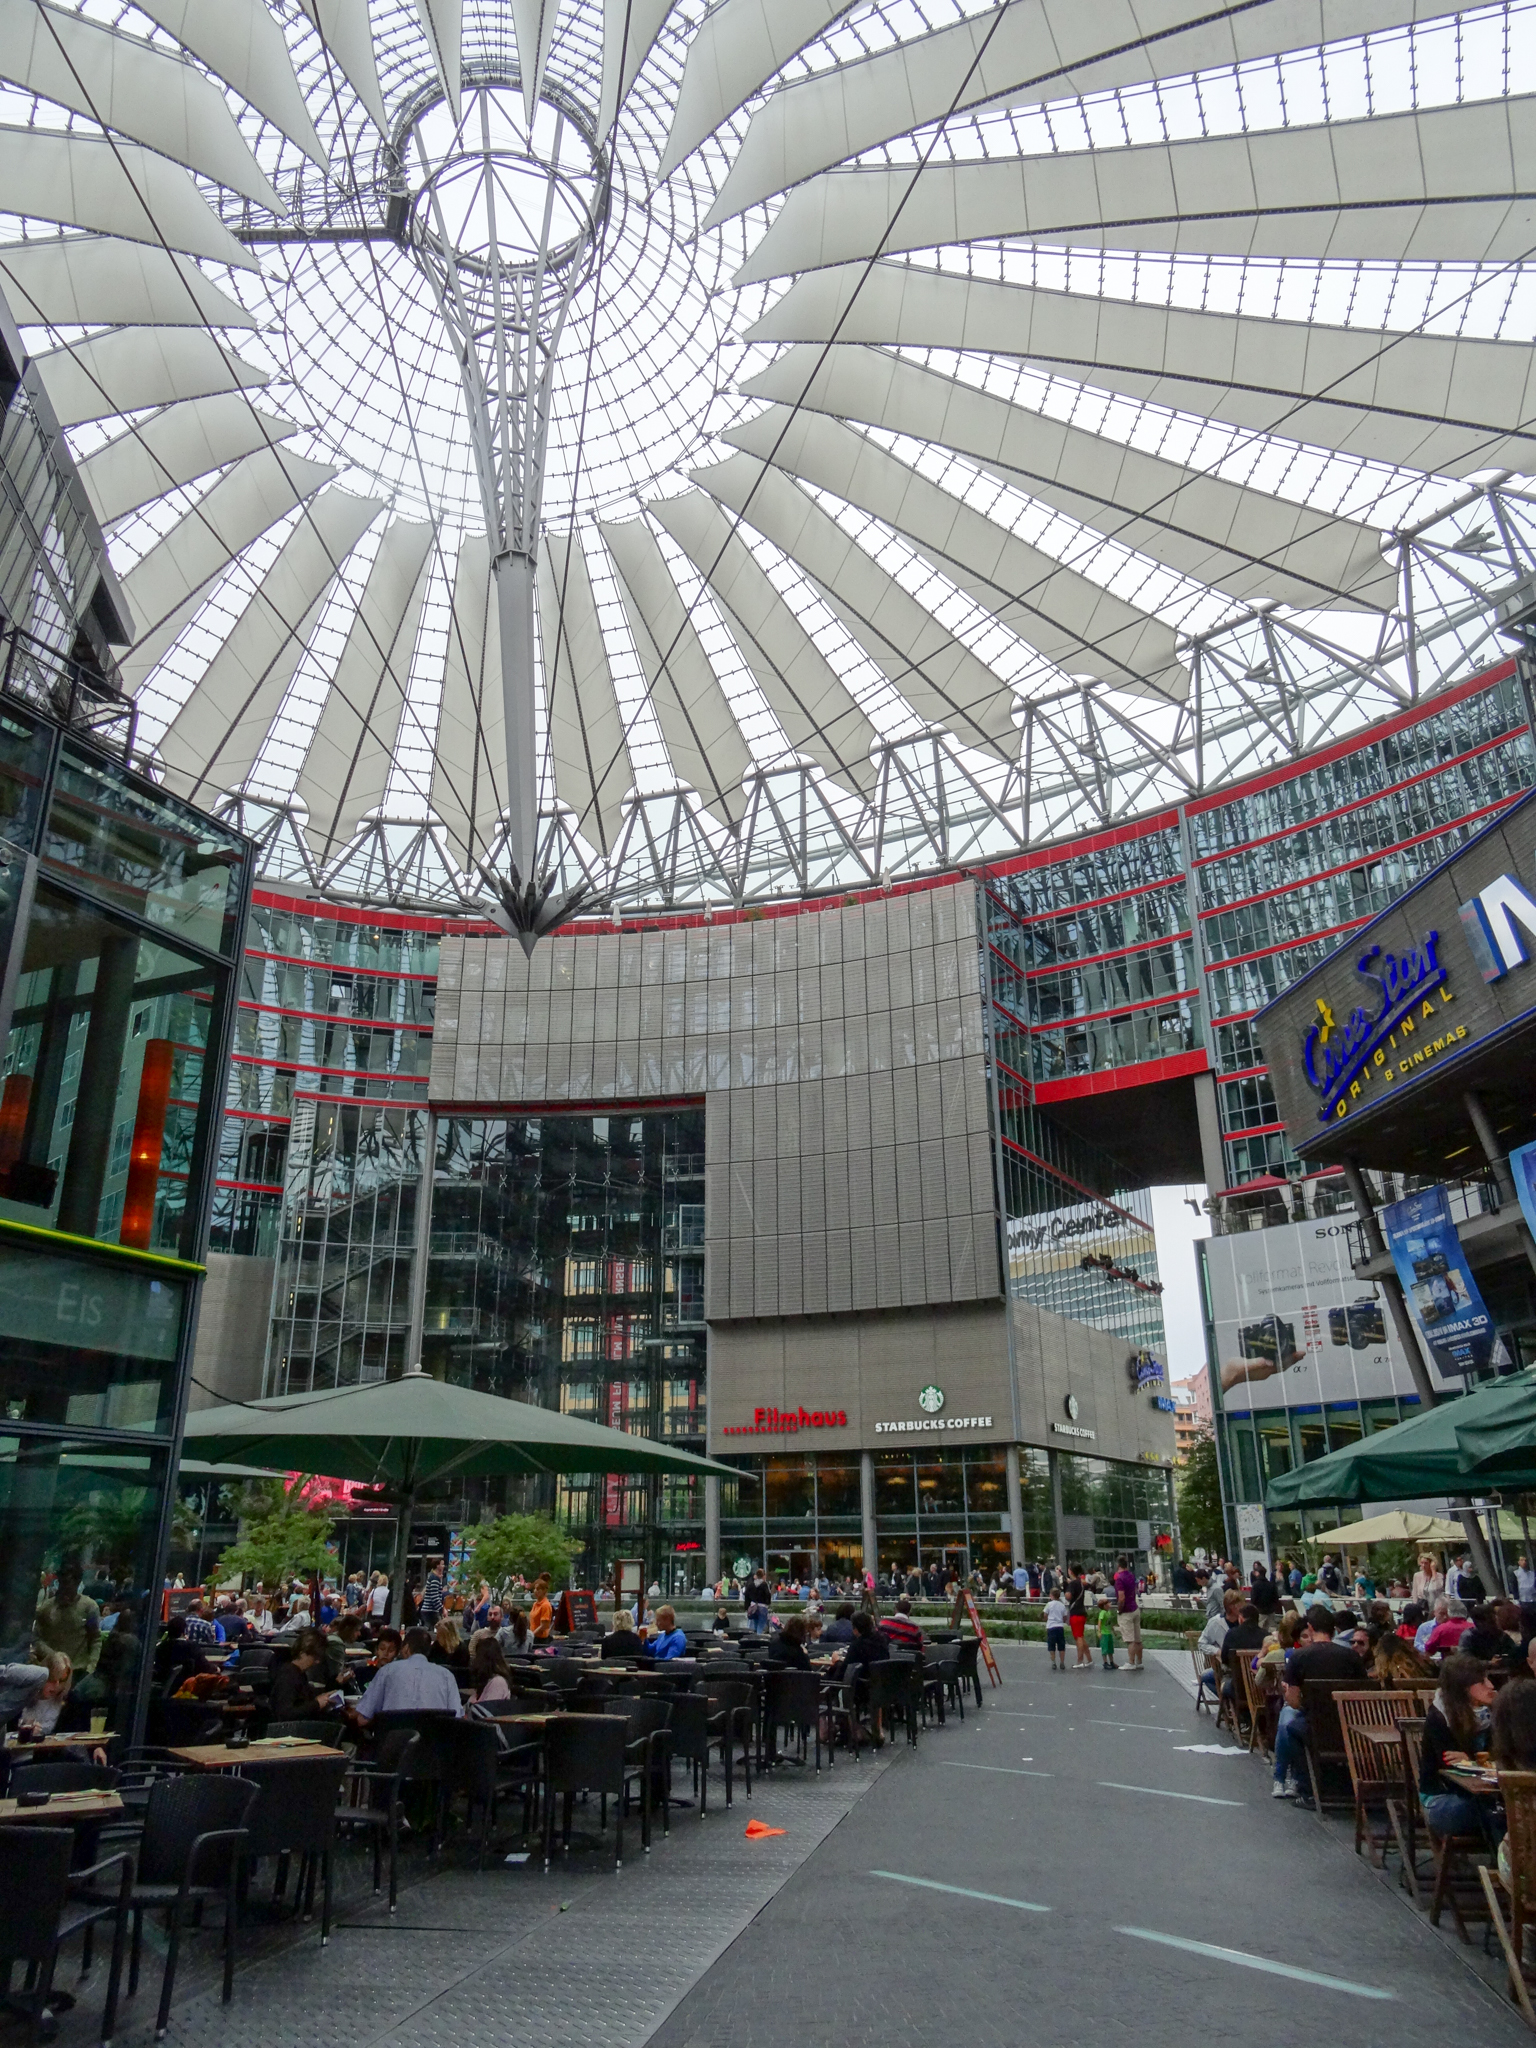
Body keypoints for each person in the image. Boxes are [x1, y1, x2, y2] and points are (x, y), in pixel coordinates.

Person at [1272, 1607, 1368, 1799]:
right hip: (1351, 1726)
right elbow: (1363, 1692)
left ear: (1310, 1627)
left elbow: (1293, 1702)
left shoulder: (1299, 1657)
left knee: (1291, 1729)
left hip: (1315, 1726)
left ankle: (1306, 1786)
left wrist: (1291, 1695)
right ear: (1333, 1629)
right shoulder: (1351, 1656)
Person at [1419, 1652, 1501, 1844]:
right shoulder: (1440, 1718)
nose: (1490, 1686)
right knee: (1495, 1812)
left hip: (1484, 1795)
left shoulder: (1492, 1712)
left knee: (1505, 1810)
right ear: (1464, 1687)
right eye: (1482, 1681)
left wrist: (1471, 1760)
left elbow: (1502, 1755)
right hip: (1442, 1799)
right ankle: (1507, 1861)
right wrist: (1478, 1761)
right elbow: (1451, 1768)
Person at [353, 1626, 463, 1722]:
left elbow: (363, 1719)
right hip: (433, 1738)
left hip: (392, 1737)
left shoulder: (387, 1671)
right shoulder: (447, 1676)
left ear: (405, 1648)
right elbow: (457, 1718)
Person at [33, 1559, 102, 1678]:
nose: (63, 1587)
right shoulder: (46, 1608)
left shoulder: (89, 1608)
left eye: (67, 1582)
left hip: (78, 1671)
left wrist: (91, 1668)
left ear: (77, 1582)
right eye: (61, 1582)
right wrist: (53, 1655)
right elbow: (36, 1638)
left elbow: (95, 1638)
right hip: (50, 1671)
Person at [836, 1610, 891, 1746]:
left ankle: (853, 1731)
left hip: (862, 1689)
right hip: (883, 1686)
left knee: (839, 1690)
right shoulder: (882, 1640)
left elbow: (845, 1670)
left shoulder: (857, 1645)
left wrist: (836, 1662)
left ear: (855, 1629)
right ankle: (877, 1731)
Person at [270, 1628, 344, 1719]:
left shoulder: (298, 1673)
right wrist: (317, 1704)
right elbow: (285, 1714)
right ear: (303, 1653)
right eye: (315, 1657)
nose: (317, 1661)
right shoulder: (288, 1676)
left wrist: (324, 1694)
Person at [1464, 1600, 1522, 1666]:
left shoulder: (1501, 1636)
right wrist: (1488, 1663)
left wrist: (1504, 1659)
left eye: (1494, 1618)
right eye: (1490, 1620)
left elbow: (1514, 1655)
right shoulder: (1469, 1637)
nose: (1495, 1621)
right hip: (1478, 1671)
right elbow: (1465, 1661)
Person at [465, 1633, 513, 1707]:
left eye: (477, 1656)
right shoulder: (485, 1681)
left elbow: (487, 1710)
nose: (474, 1660)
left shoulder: (498, 1683)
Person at [1113, 1553, 1143, 1671]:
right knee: (1138, 1639)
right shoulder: (1131, 1575)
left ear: (1118, 1565)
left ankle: (1131, 1662)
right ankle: (1139, 1662)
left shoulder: (1119, 1578)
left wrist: (1119, 1609)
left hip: (1126, 1611)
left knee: (1130, 1640)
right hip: (1135, 1607)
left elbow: (1121, 1597)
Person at [1066, 1569, 1091, 1668]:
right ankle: (1089, 1659)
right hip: (1082, 1612)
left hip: (1075, 1613)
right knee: (1081, 1636)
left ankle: (1080, 1661)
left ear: (1071, 1571)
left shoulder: (1072, 1584)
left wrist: (1066, 1588)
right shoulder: (1081, 1582)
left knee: (1078, 1637)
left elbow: (1068, 1596)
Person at [1043, 1589, 1069, 1672]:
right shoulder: (1062, 1605)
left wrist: (1048, 1619)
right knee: (1061, 1645)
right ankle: (1062, 1662)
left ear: (1051, 1596)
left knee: (1051, 1645)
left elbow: (1045, 1614)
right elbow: (1065, 1617)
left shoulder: (1049, 1604)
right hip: (1060, 1626)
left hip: (1051, 1626)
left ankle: (1053, 1662)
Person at [418, 1557, 445, 1629]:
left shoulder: (433, 1577)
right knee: (433, 1630)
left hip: (429, 1610)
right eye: (442, 1564)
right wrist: (442, 1609)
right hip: (430, 1611)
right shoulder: (434, 1579)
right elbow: (434, 1597)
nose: (443, 1566)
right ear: (437, 1566)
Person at [528, 1575, 554, 1642]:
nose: (535, 1591)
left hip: (541, 1639)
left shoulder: (545, 1605)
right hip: (533, 1637)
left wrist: (531, 1635)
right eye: (534, 1589)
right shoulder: (535, 1604)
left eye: (538, 1589)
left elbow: (544, 1626)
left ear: (544, 1591)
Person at [1096, 1593, 1118, 1669]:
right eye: (1108, 1603)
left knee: (1110, 1648)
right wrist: (1099, 1632)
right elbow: (1099, 1622)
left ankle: (1112, 1662)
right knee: (1105, 1648)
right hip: (1104, 1633)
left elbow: (1110, 1623)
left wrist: (1113, 1631)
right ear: (1105, 1605)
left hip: (1109, 1633)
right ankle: (1105, 1662)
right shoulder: (1102, 1613)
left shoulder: (1109, 1612)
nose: (1110, 1604)